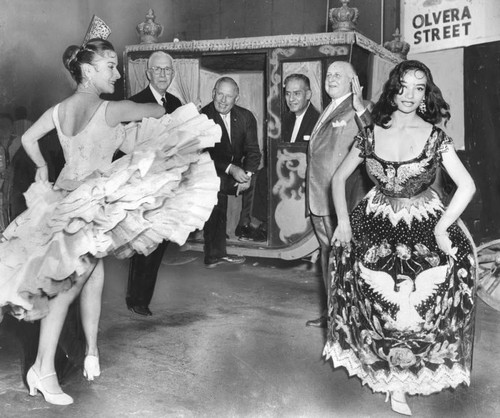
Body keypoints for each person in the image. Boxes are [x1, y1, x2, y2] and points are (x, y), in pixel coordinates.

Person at [0, 38, 220, 405]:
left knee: (91, 279)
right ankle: (43, 370)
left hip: (66, 198)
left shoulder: (60, 110)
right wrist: (162, 97)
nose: (117, 74)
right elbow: (152, 107)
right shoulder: (112, 109)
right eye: (110, 66)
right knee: (65, 289)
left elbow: (27, 138)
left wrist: (41, 168)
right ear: (87, 71)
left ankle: (90, 351)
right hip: (89, 205)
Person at [323, 60, 477, 416]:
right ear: (393, 89)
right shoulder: (372, 131)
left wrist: (442, 228)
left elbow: (467, 185)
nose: (409, 95)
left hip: (421, 221)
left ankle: (402, 380)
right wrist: (343, 222)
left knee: (418, 301)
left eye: (419, 88)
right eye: (403, 86)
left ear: (426, 95)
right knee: (372, 295)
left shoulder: (435, 136)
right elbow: (337, 179)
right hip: (373, 218)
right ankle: (384, 369)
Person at [305, 61, 372, 328]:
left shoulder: (358, 106)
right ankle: (333, 311)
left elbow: (372, 134)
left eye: (338, 75)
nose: (331, 79)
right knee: (327, 254)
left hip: (340, 199)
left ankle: (346, 316)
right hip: (319, 196)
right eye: (329, 75)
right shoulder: (329, 109)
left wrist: (361, 108)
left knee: (344, 256)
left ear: (353, 81)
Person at [126, 51, 182, 317]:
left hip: (168, 183)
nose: (162, 74)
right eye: (157, 70)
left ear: (172, 74)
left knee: (159, 241)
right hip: (142, 183)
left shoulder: (176, 102)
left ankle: (142, 296)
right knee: (143, 240)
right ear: (148, 73)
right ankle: (136, 298)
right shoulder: (134, 103)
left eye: (167, 70)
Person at [201, 76, 261, 267]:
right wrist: (231, 168)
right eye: (219, 94)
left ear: (237, 98)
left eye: (229, 96)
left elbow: (253, 151)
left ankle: (246, 229)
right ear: (213, 93)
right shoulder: (202, 117)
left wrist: (248, 175)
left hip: (237, 170)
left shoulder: (246, 116)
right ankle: (214, 255)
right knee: (214, 189)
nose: (223, 100)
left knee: (259, 178)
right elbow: (203, 155)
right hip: (209, 169)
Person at [282, 73, 320, 143]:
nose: (291, 99)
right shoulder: (283, 119)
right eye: (288, 94)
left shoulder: (318, 121)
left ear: (308, 95)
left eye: (296, 93)